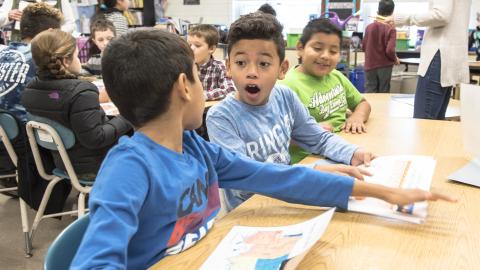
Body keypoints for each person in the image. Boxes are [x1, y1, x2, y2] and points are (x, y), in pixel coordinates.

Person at [68, 28, 455, 269]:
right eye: (201, 77)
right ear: (185, 87)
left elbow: (278, 178)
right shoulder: (128, 168)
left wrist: (384, 192)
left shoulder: (197, 149)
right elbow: (93, 262)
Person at [206, 12, 374, 211]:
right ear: (228, 67)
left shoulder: (285, 97)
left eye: (264, 64)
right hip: (250, 213)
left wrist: (353, 152)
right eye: (241, 62)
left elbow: (319, 139)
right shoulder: (220, 117)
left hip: (289, 202)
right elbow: (248, 178)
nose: (252, 72)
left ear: (282, 69)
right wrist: (315, 170)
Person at [21, 29, 131, 180]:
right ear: (66, 61)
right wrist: (127, 116)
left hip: (62, 163)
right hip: (96, 166)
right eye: (77, 55)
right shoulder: (82, 92)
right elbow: (96, 138)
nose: (79, 60)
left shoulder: (30, 88)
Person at [279, 18, 371, 163]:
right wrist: (309, 132)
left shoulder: (336, 76)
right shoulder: (286, 85)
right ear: (300, 48)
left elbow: (363, 103)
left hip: (343, 147)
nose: (325, 56)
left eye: (333, 51)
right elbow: (273, 134)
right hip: (309, 159)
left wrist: (357, 117)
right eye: (317, 48)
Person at [384, 0, 472, 120]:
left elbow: (441, 15)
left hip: (438, 54)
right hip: (447, 56)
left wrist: (404, 19)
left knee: (423, 124)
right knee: (435, 125)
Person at [0, 2, 63, 122]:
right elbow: (59, 97)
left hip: (5, 132)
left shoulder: (2, 53)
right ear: (50, 32)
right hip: (28, 132)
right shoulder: (43, 58)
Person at [187, 24, 235, 100]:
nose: (191, 48)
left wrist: (202, 96)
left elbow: (230, 90)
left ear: (211, 48)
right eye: (189, 45)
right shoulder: (185, 67)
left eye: (197, 45)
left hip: (209, 109)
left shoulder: (219, 67)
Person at [362, 0, 399, 93]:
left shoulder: (369, 28)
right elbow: (390, 50)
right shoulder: (391, 29)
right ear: (392, 12)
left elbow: (363, 47)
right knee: (383, 93)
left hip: (370, 65)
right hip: (385, 66)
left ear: (378, 11)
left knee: (370, 92)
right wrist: (395, 59)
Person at [0, 0, 76, 42]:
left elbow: (71, 24)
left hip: (51, 45)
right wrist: (8, 15)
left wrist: (55, 32)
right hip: (21, 45)